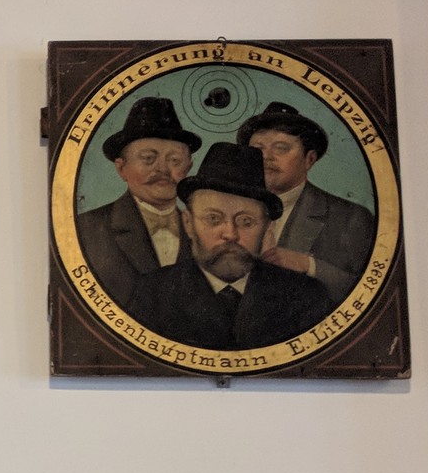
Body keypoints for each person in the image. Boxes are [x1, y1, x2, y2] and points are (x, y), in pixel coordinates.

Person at [124, 143, 329, 349]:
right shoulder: (152, 294)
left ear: (267, 228)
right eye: (213, 219)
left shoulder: (305, 296)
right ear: (188, 223)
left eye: (246, 221)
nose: (230, 234)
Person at [237, 101, 376, 312]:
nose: (266, 156)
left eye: (281, 148)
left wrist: (307, 265)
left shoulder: (351, 217)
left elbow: (370, 291)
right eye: (257, 149)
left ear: (309, 159)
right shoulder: (225, 209)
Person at [74, 96, 201, 305]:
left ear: (189, 167)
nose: (162, 169)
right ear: (121, 168)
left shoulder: (203, 232)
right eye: (148, 158)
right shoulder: (86, 228)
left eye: (174, 160)